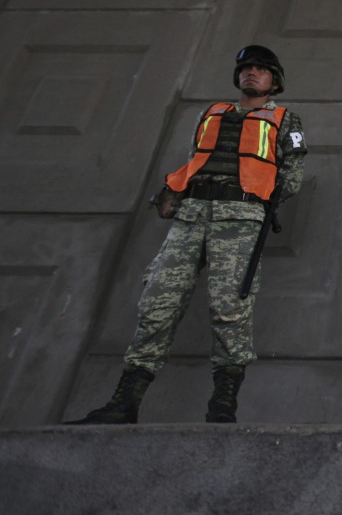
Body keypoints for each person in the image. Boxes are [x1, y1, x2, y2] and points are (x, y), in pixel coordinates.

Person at [68, 45, 307, 424]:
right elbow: (197, 158)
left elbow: (292, 175)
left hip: (240, 218)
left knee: (229, 307)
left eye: (261, 70)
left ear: (274, 81)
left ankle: (223, 407)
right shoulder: (210, 114)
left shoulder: (286, 120)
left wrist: (259, 204)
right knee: (156, 303)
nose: (251, 74)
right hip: (192, 215)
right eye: (246, 68)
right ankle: (124, 403)